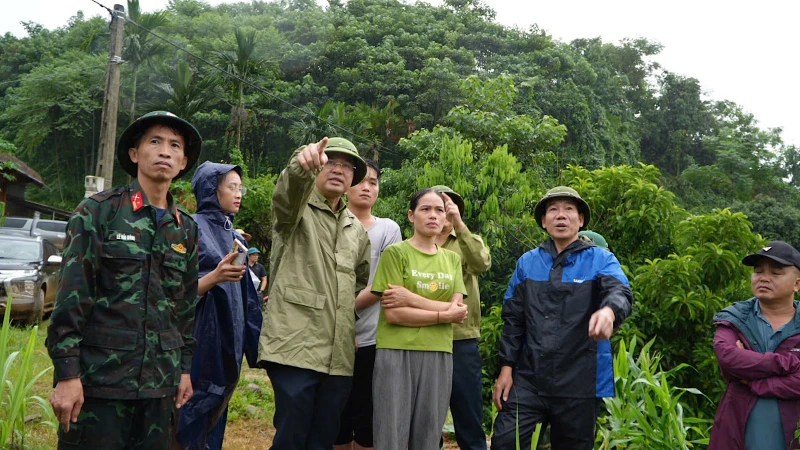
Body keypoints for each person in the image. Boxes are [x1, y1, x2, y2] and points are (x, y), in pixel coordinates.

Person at [46, 111, 201, 450]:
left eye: (175, 145)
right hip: (99, 383)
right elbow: (71, 299)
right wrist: (68, 375)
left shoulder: (185, 228)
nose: (165, 151)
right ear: (134, 153)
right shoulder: (98, 212)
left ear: (183, 161)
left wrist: (185, 369)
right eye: (155, 142)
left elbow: (185, 309)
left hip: (160, 386)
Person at [491, 186, 633, 450]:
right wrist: (506, 368)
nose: (561, 215)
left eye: (569, 209)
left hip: (579, 378)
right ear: (543, 221)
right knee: (505, 441)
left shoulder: (601, 259)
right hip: (529, 377)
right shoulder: (527, 263)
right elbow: (513, 318)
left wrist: (608, 311)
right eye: (553, 210)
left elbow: (620, 291)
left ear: (580, 220)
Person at [258, 137, 371, 449]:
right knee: (292, 436)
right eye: (330, 162)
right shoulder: (295, 210)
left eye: (346, 166)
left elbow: (358, 280)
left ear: (353, 177)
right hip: (295, 345)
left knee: (323, 438)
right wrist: (299, 166)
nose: (338, 170)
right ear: (318, 166)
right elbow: (288, 191)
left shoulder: (356, 229)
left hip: (339, 354)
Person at [369, 188, 469, 450]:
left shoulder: (453, 260)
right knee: (391, 432)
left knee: (428, 433)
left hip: (439, 352)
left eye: (439, 210)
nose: (433, 215)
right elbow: (395, 314)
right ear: (411, 216)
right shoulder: (395, 254)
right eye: (425, 209)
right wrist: (442, 313)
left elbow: (457, 312)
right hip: (396, 351)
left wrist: (411, 299)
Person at [174, 162, 263, 449]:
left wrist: (257, 349)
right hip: (200, 341)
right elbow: (175, 291)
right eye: (231, 187)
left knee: (215, 415)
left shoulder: (235, 237)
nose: (239, 194)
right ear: (212, 190)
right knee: (189, 417)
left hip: (228, 344)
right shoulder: (191, 228)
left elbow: (249, 301)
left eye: (241, 188)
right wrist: (214, 277)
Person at [335, 160, 402, 450]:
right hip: (331, 335)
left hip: (372, 336)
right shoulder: (331, 223)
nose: (367, 187)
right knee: (336, 416)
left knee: (366, 415)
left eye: (373, 182)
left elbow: (383, 285)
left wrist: (343, 312)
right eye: (362, 181)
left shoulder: (388, 228)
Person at [709, 241, 800, 450]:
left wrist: (754, 382)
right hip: (735, 433)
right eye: (758, 271)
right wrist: (788, 364)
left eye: (776, 273)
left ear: (797, 284)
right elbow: (728, 358)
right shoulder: (734, 318)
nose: (764, 278)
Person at [432, 185, 491, 450]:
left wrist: (460, 225)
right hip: (424, 337)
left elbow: (481, 264)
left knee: (468, 415)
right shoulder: (415, 244)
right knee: (428, 418)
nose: (441, 212)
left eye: (447, 207)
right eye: (433, 206)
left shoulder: (465, 241)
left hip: (461, 338)